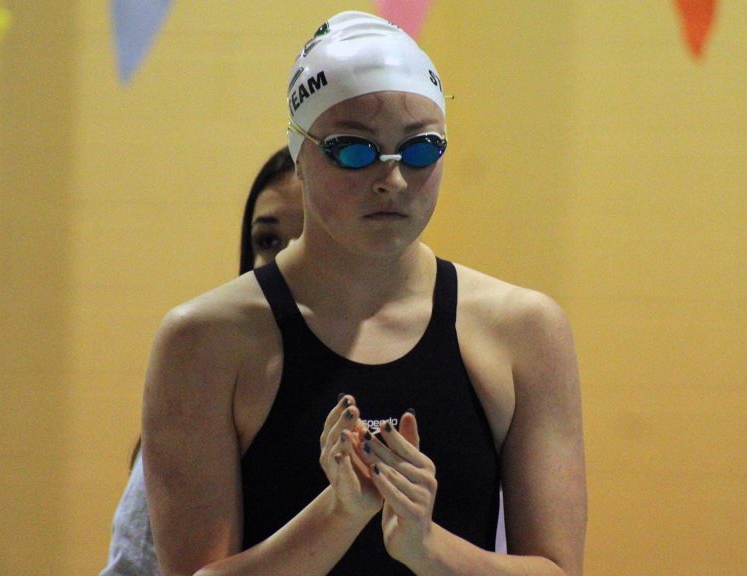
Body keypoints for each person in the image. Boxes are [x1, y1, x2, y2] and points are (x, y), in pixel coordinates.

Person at [143, 10, 586, 576]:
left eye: (422, 148)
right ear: (298, 157)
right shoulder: (205, 342)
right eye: (354, 150)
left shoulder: (522, 330)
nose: (392, 179)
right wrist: (339, 513)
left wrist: (427, 547)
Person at [99, 146, 302, 576]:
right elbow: (133, 568)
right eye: (268, 241)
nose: (284, 260)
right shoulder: (202, 381)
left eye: (308, 240)